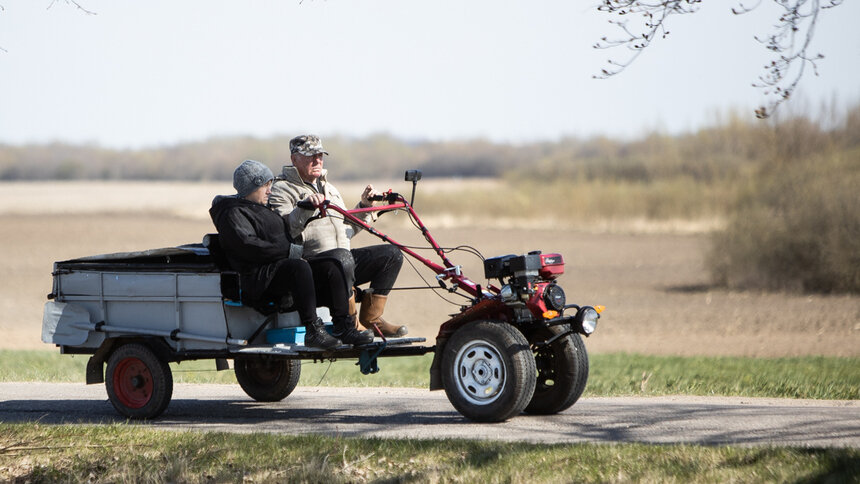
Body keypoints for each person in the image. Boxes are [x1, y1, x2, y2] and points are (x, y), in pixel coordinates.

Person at [209, 159, 372, 348]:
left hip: (279, 269)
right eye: (265, 185)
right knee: (298, 267)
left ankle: (344, 327)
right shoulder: (232, 213)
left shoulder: (261, 208)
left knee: (332, 263)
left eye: (270, 184)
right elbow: (249, 246)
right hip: (257, 278)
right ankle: (312, 330)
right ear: (249, 188)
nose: (270, 190)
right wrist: (290, 252)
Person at [269, 135, 408, 337]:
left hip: (343, 262)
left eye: (320, 155)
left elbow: (346, 228)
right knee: (342, 259)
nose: (317, 160)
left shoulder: (330, 188)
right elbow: (286, 230)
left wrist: (365, 207)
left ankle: (371, 319)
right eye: (310, 156)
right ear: (294, 159)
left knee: (391, 254)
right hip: (312, 268)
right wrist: (306, 207)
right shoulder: (281, 189)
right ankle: (349, 323)